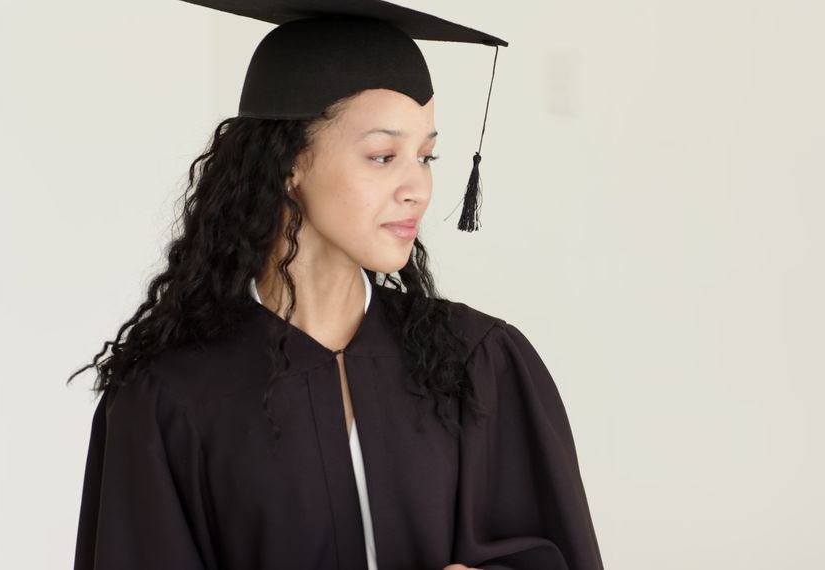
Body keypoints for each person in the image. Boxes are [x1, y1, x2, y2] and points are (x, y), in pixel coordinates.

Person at [66, 3, 603, 569]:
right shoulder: (171, 400)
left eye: (426, 155)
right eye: (382, 155)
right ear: (289, 164)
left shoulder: (476, 363)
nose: (418, 187)